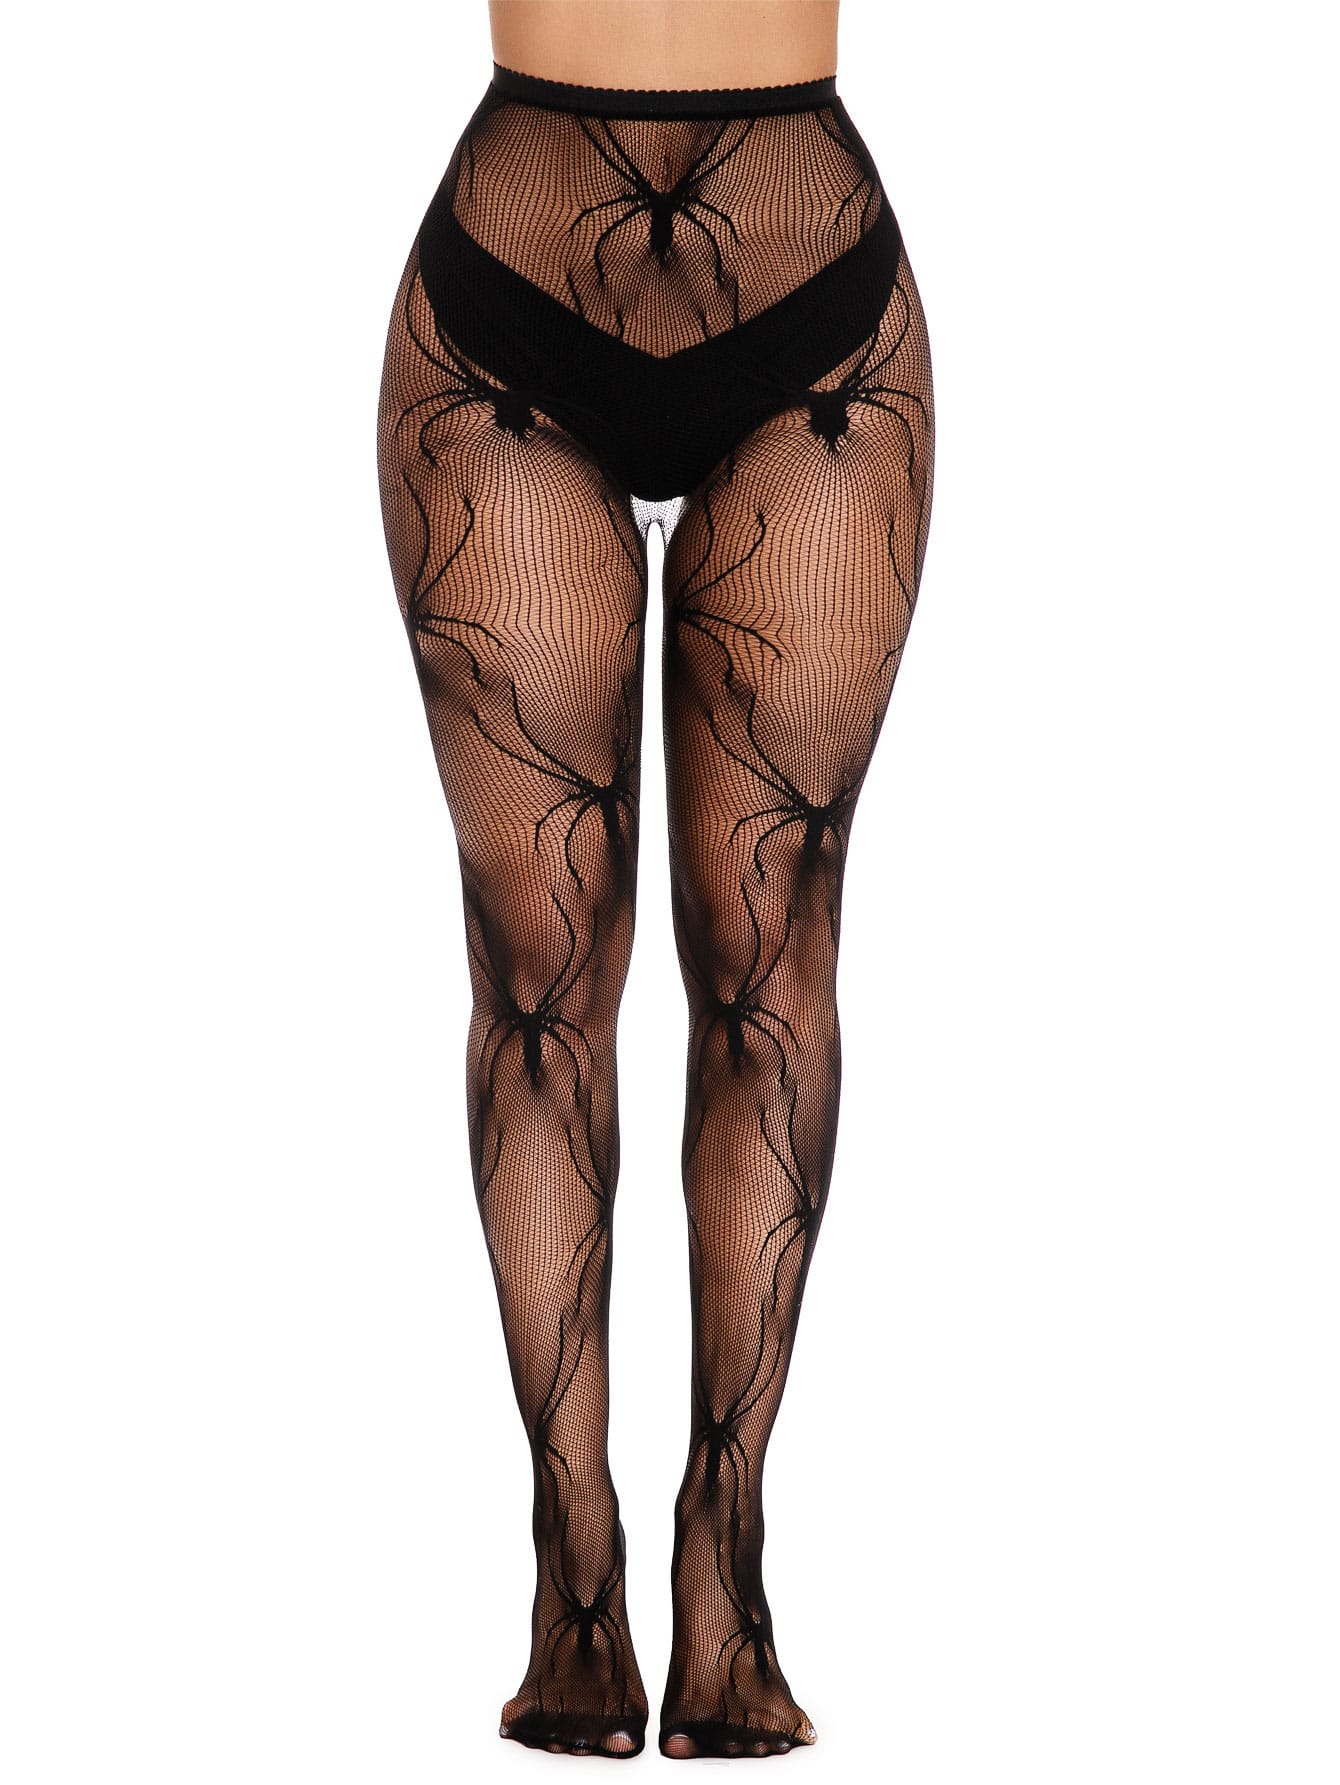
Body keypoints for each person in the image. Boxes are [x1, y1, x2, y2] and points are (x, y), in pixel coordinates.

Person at [376, 0, 935, 1759]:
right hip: (507, 282)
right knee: (537, 983)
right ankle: (574, 1555)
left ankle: (728, 1538)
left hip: (815, 293)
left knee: (774, 966)